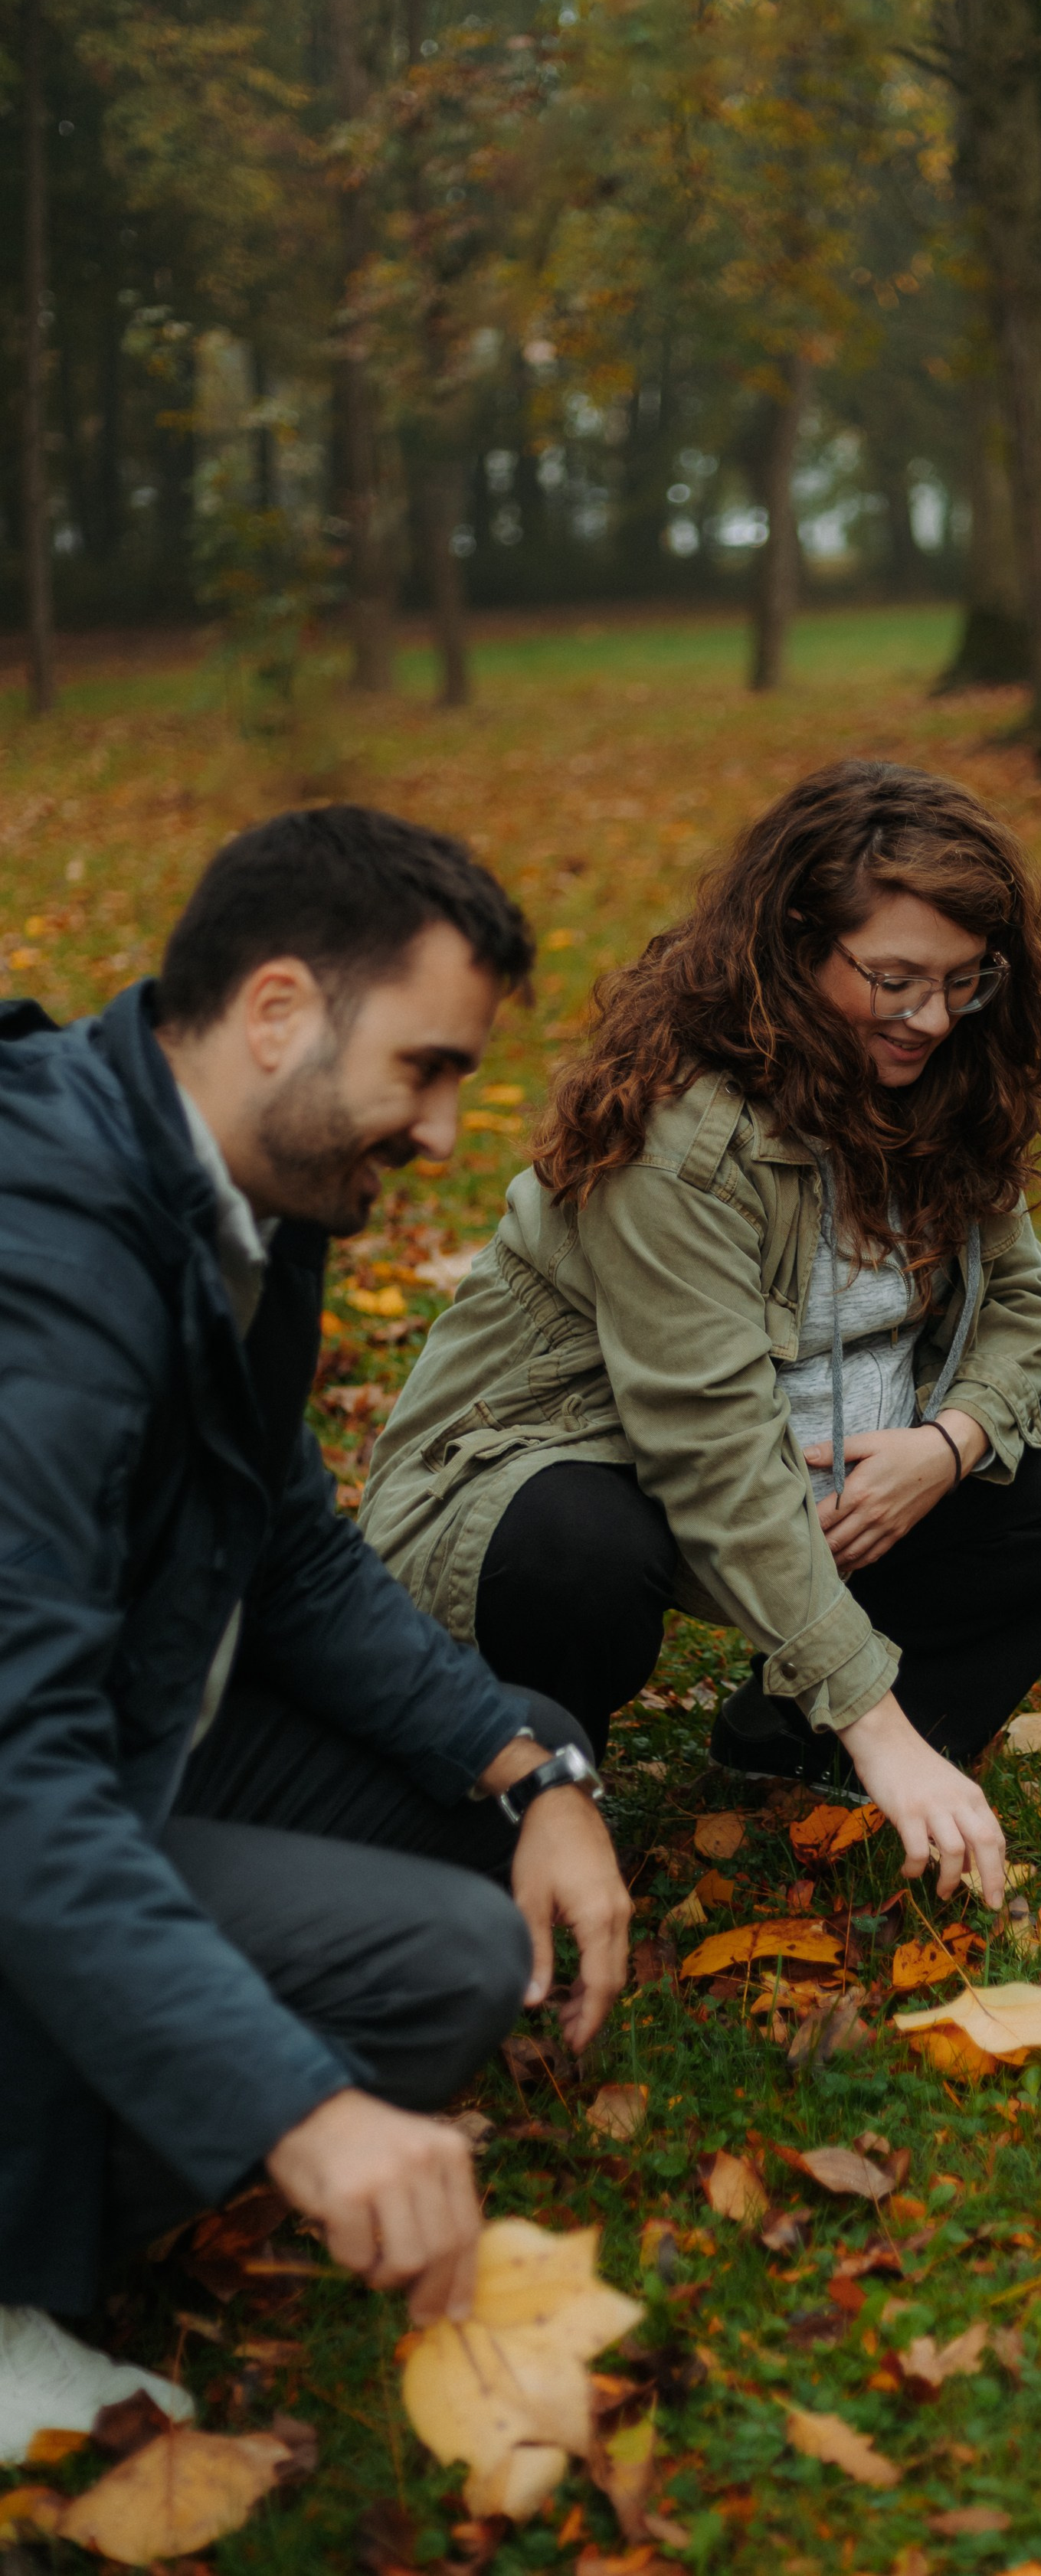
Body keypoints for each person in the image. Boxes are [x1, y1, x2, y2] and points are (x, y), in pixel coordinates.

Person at [0, 806, 633, 2463]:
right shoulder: (43, 1276)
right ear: (276, 1010)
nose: (443, 1133)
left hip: (142, 1725)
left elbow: (286, 1550)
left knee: (525, 1767)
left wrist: (529, 1766)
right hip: (41, 1779)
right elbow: (15, 1780)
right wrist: (296, 2104)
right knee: (448, 1962)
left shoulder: (241, 1191)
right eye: (424, 1070)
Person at [362, 760, 1041, 1906]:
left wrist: (944, 1449)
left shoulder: (940, 1077)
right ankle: (527, 1801)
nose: (931, 1017)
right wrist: (880, 1718)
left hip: (831, 1469)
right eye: (894, 979)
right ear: (795, 947)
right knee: (572, 1548)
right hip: (581, 1460)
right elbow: (708, 1447)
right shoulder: (682, 1135)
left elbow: (1024, 1308)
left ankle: (797, 1746)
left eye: (963, 981)